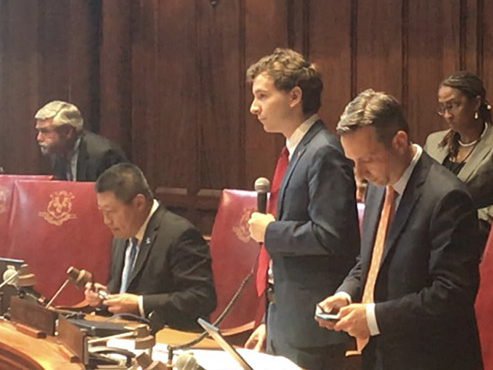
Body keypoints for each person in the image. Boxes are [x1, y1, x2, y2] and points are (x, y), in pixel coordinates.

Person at [316, 89, 483, 370]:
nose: (359, 175)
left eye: (367, 159)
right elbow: (371, 261)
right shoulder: (379, 187)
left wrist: (373, 318)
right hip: (380, 356)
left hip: (430, 360)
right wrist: (345, 294)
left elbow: (451, 295)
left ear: (399, 142)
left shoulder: (447, 198)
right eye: (353, 162)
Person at [243, 48, 360, 370]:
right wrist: (269, 321)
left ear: (294, 96)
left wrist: (270, 231)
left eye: (262, 96)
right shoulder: (298, 150)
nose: (254, 107)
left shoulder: (324, 152)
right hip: (286, 319)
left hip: (311, 329)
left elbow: (332, 236)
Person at [84, 163, 216, 331]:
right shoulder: (122, 234)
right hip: (122, 334)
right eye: (102, 211)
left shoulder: (180, 234)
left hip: (168, 337)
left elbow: (202, 298)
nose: (106, 221)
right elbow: (125, 291)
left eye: (111, 211)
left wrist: (140, 304)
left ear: (139, 203)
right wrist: (104, 298)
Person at [424, 71, 493, 238]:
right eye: (442, 108)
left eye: (453, 106)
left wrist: (462, 219)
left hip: (474, 241)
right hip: (430, 240)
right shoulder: (433, 142)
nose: (447, 115)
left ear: (476, 103)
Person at [34, 100, 128, 181]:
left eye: (45, 131)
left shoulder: (104, 156)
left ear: (67, 132)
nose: (39, 138)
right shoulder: (57, 153)